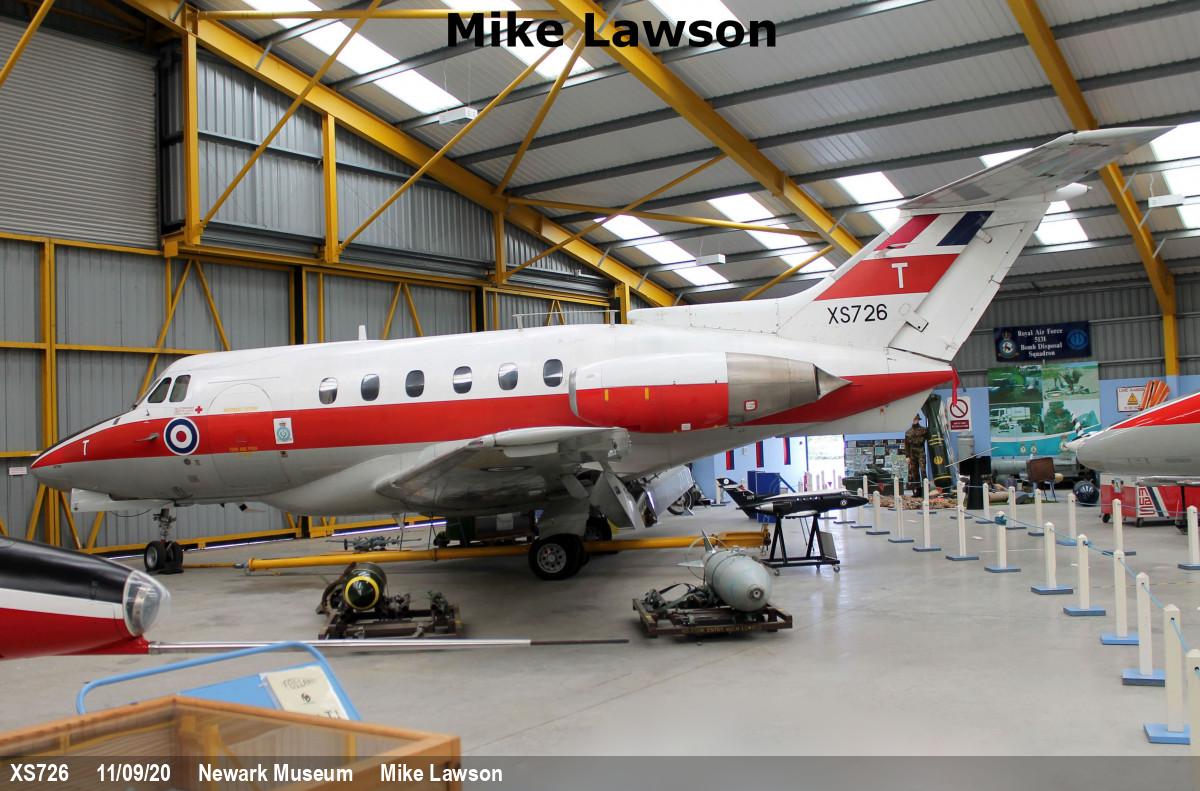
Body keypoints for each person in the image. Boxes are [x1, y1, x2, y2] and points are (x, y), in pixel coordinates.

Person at [904, 415, 929, 483]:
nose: (915, 420)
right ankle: (917, 488)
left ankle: (926, 486)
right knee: (914, 472)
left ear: (918, 420)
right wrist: (907, 456)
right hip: (912, 453)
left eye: (916, 419)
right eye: (914, 419)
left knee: (923, 470)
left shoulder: (924, 430)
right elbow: (906, 445)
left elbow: (929, 439)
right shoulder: (908, 432)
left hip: (921, 451)